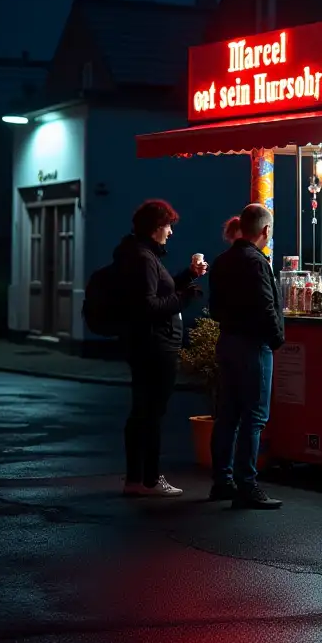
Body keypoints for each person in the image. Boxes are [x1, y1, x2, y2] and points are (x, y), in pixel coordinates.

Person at [113, 199, 206, 497]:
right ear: (156, 228)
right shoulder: (142, 258)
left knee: (144, 410)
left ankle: (137, 479)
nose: (171, 232)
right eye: (168, 226)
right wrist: (184, 299)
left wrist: (188, 275)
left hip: (147, 343)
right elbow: (149, 305)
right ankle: (148, 480)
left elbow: (156, 291)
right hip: (155, 345)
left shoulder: (140, 254)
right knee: (151, 412)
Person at [207, 203, 284, 509]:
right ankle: (247, 484)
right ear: (265, 230)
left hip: (227, 342)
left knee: (227, 415)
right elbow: (267, 307)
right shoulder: (257, 263)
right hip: (254, 346)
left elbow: (214, 309)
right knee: (254, 417)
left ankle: (222, 480)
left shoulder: (222, 261)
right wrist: (276, 338)